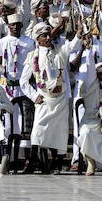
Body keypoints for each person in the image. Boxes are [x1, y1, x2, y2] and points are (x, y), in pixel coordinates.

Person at [21, 22, 70, 173]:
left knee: (59, 131)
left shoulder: (59, 52)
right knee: (38, 130)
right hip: (44, 98)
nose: (48, 38)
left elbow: (72, 46)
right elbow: (23, 81)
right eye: (44, 35)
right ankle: (33, 161)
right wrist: (34, 95)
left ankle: (57, 163)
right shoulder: (32, 56)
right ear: (38, 39)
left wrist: (80, 34)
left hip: (60, 98)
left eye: (49, 35)